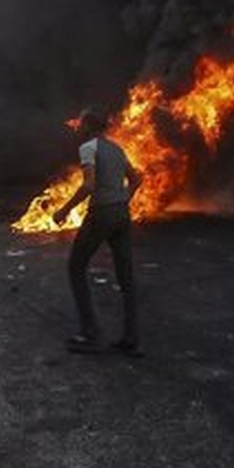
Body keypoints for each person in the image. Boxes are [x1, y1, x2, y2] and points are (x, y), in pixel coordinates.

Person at [54, 107, 143, 356]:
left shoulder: (88, 148)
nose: (77, 127)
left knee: (76, 266)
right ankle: (131, 337)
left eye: (81, 124)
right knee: (126, 275)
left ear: (90, 127)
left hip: (101, 214)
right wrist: (124, 198)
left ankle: (90, 333)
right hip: (122, 215)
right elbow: (137, 179)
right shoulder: (117, 149)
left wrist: (63, 210)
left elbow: (89, 185)